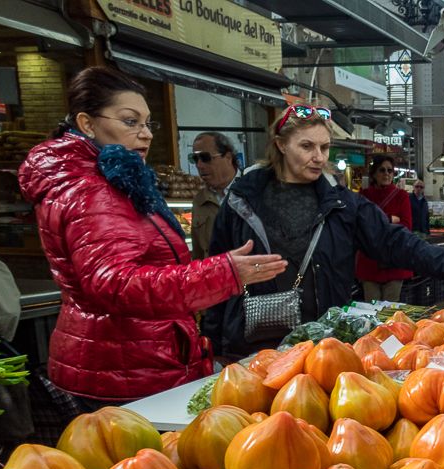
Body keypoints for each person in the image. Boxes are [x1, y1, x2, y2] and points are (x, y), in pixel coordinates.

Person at [17, 67, 284, 406]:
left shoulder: (114, 181)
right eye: (130, 121)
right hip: (122, 368)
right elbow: (115, 284)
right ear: (86, 124)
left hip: (129, 359)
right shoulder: (93, 190)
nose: (146, 135)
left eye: (147, 123)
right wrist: (222, 274)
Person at [206, 105, 444, 361]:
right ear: (281, 144)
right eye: (307, 146)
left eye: (324, 147)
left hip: (324, 348)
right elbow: (217, 275)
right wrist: (211, 343)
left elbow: (394, 241)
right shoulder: (240, 202)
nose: (319, 157)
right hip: (254, 349)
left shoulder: (343, 204)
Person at [356, 155, 413, 302]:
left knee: (390, 311)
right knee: (372, 309)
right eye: (382, 170)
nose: (386, 174)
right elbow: (360, 225)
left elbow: (406, 226)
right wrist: (389, 219)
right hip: (369, 261)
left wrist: (375, 225)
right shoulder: (363, 195)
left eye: (390, 170)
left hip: (394, 261)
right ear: (374, 173)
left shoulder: (401, 195)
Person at [190, 131, 240, 260]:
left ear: (228, 158)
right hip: (216, 277)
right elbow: (198, 253)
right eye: (195, 159)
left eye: (206, 157)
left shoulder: (252, 190)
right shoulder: (200, 201)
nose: (199, 165)